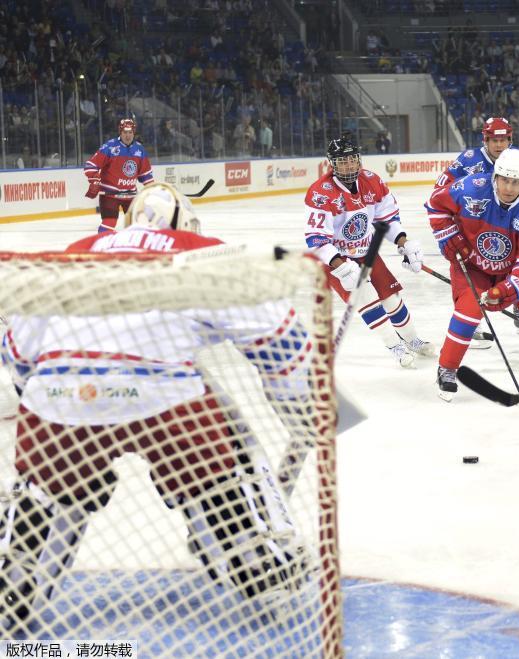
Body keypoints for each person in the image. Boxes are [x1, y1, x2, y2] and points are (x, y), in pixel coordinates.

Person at [0, 183, 312, 633]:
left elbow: (20, 352)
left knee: (48, 485)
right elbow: (280, 337)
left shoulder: (77, 250)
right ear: (184, 222)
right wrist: (300, 408)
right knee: (231, 429)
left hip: (61, 397)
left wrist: (52, 394)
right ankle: (258, 552)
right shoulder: (201, 252)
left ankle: (16, 573)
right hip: (166, 401)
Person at [426, 149, 519, 402]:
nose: (509, 187)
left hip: (511, 269)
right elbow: (436, 205)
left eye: (516, 182)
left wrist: (505, 290)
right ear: (495, 177)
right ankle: (446, 369)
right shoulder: (471, 188)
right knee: (467, 312)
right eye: (504, 180)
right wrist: (448, 236)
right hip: (473, 265)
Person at [304, 136, 434, 367]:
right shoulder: (320, 193)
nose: (349, 165)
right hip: (335, 259)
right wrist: (341, 268)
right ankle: (394, 346)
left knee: (391, 298)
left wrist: (403, 243)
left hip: (366, 251)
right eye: (342, 161)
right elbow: (316, 240)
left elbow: (388, 218)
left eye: (352, 159)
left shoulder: (372, 181)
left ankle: (412, 340)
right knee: (368, 299)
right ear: (332, 164)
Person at [434, 117, 519, 339]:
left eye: (503, 140)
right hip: (473, 230)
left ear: (510, 139)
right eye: (494, 139)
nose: (499, 145)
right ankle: (470, 319)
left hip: (510, 230)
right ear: (485, 139)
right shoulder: (468, 160)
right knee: (468, 270)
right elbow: (440, 190)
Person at [83, 118, 155, 233]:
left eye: (130, 132)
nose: (128, 135)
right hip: (110, 195)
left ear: (134, 133)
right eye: (125, 132)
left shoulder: (140, 150)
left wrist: (154, 190)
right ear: (120, 132)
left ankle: (134, 249)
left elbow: (146, 176)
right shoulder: (110, 147)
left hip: (130, 195)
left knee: (138, 224)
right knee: (109, 223)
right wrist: (95, 180)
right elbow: (90, 166)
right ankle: (103, 248)